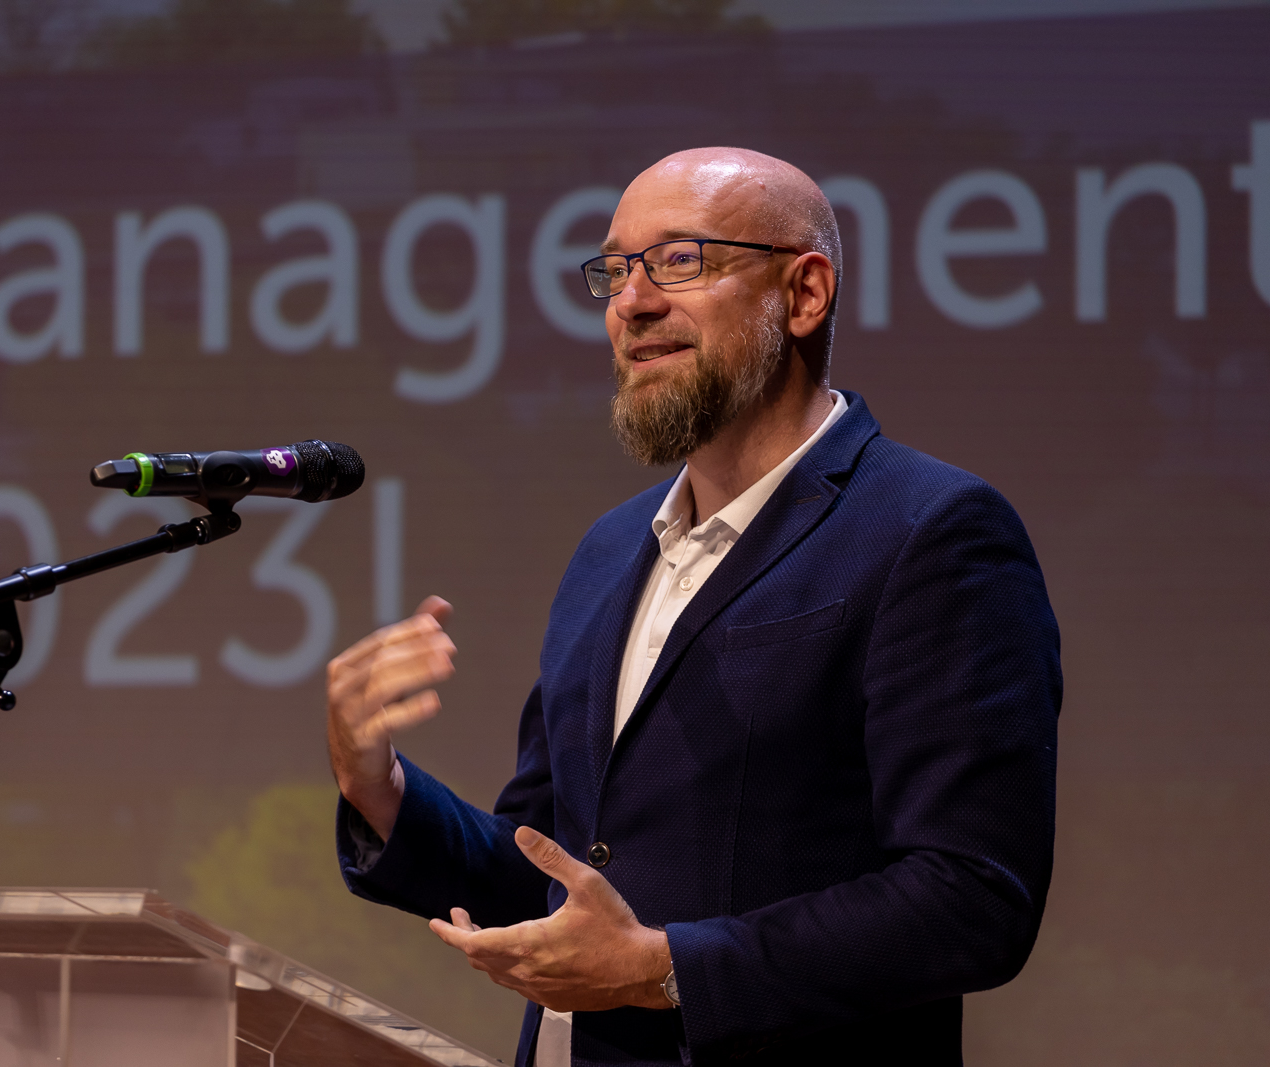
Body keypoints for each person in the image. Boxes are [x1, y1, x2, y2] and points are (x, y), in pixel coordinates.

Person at [325, 147, 1060, 1066]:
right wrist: (378, 788)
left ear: (803, 294)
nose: (631, 302)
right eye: (615, 269)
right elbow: (550, 871)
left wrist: (663, 968)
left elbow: (970, 898)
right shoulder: (607, 551)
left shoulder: (929, 530)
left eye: (681, 261)